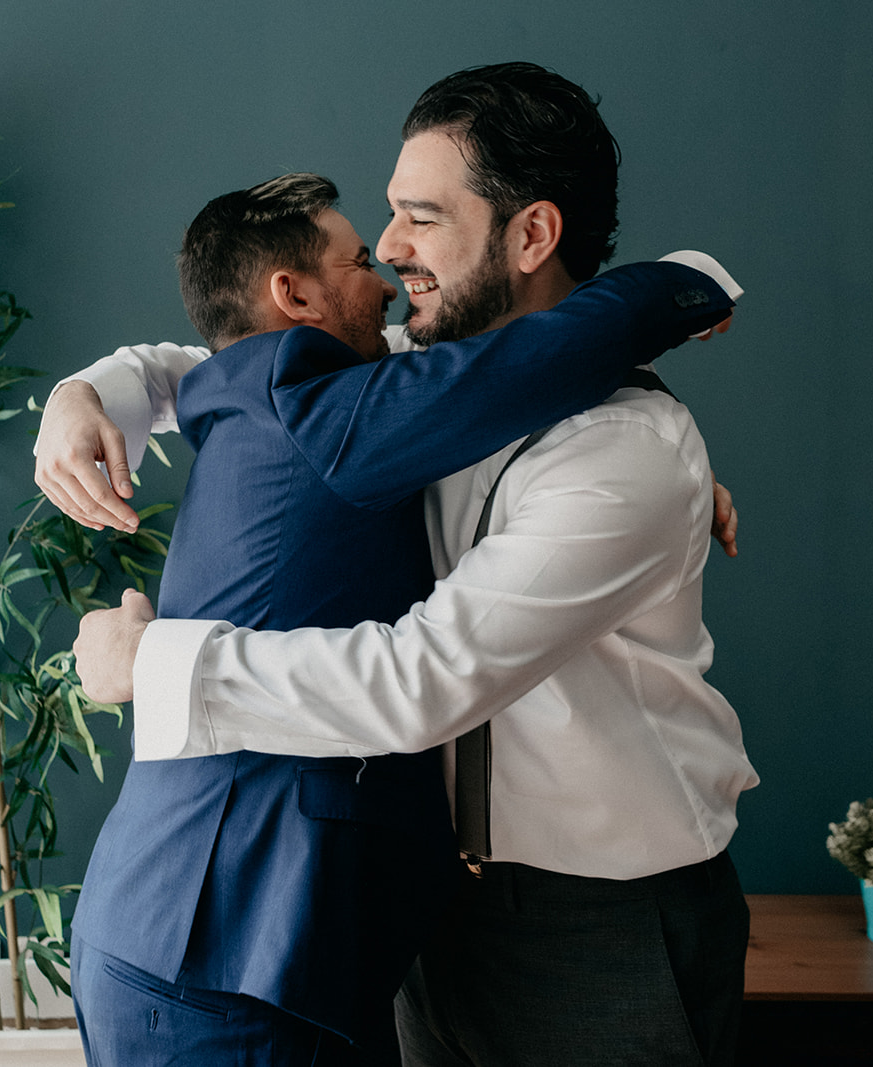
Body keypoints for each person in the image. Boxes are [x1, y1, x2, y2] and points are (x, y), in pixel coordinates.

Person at [52, 63, 757, 1066]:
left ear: (530, 236)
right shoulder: (409, 371)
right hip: (427, 905)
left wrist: (152, 665)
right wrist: (88, 392)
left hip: (598, 926)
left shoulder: (627, 449)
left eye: (421, 217)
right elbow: (237, 361)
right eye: (386, 218)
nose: (388, 250)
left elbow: (423, 680)